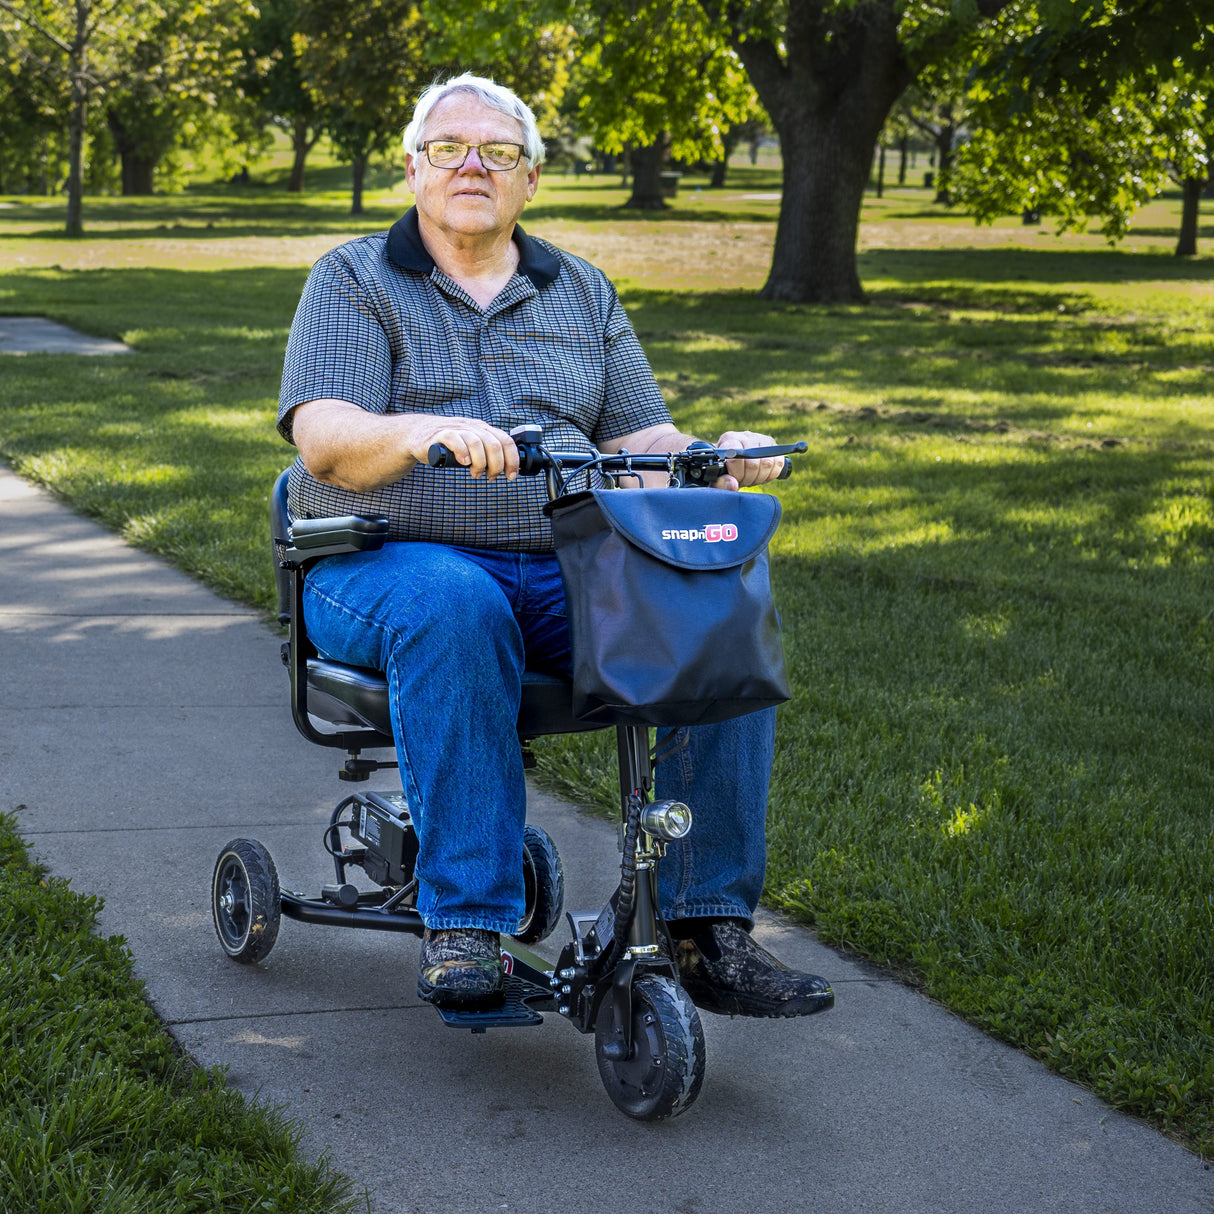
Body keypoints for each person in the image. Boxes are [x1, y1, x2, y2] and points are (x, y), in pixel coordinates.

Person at [278, 73, 833, 1020]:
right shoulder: (354, 278)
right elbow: (325, 435)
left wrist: (712, 457)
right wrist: (423, 432)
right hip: (378, 560)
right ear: (414, 169)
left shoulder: (578, 288)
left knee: (709, 596)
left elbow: (640, 441)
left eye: (498, 152)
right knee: (454, 601)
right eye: (449, 148)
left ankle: (701, 925)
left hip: (560, 563)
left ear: (529, 178)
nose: (472, 166)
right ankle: (466, 922)